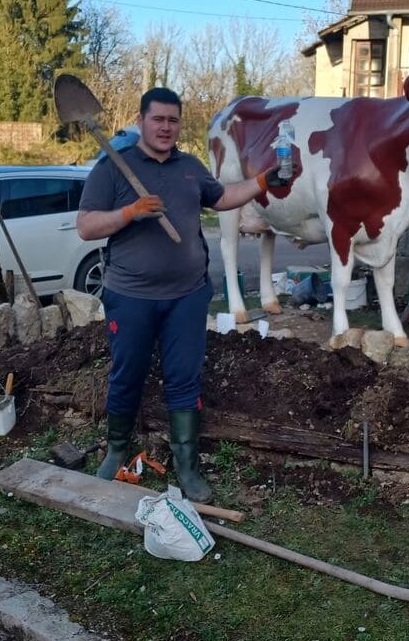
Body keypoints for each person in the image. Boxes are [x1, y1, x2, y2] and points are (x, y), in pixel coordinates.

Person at [77, 87, 292, 503]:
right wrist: (130, 212)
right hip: (131, 296)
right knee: (127, 374)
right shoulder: (112, 169)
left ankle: (187, 466)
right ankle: (116, 451)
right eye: (158, 119)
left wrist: (265, 180)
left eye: (172, 120)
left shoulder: (191, 168)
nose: (165, 127)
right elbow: (86, 226)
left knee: (184, 378)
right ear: (141, 121)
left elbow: (224, 197)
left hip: (187, 296)